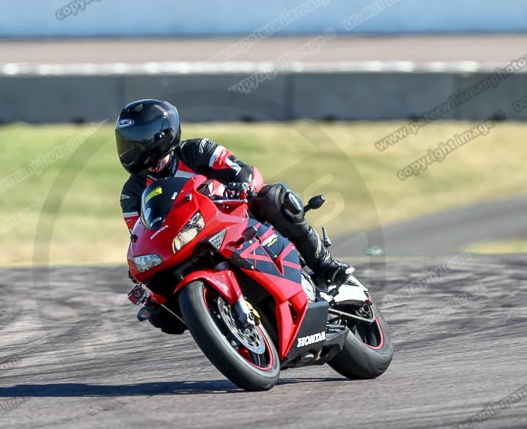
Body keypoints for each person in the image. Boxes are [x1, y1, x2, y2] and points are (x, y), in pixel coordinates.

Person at [116, 99, 353, 333]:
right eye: (126, 143)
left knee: (272, 197)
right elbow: (141, 233)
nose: (130, 150)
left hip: (233, 220)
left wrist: (242, 186)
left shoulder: (197, 150)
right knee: (160, 312)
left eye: (137, 141)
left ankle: (323, 264)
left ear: (161, 135)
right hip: (185, 243)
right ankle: (213, 321)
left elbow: (242, 170)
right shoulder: (131, 193)